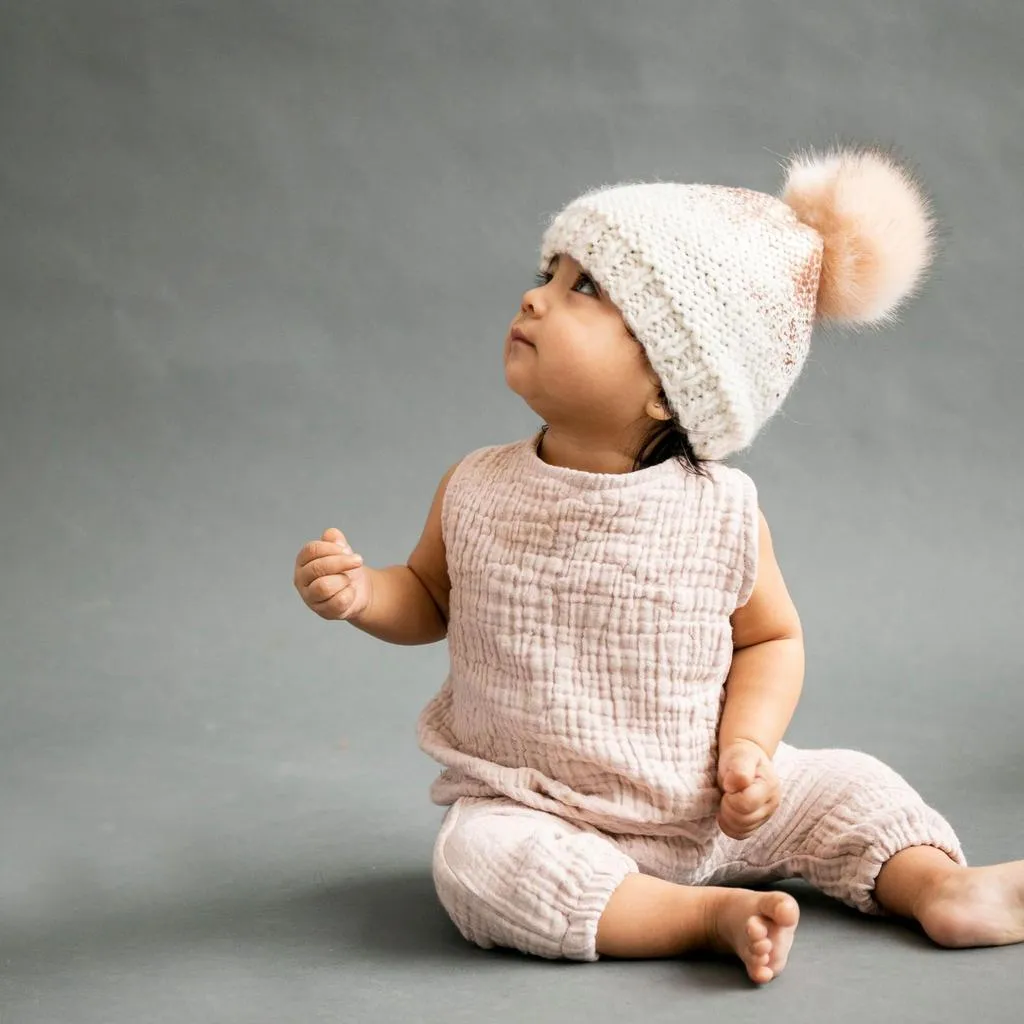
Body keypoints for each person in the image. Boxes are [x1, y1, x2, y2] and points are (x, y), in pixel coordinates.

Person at [293, 146, 1024, 984]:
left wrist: (749, 749)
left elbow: (771, 640)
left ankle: (940, 886)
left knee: (847, 786)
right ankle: (697, 917)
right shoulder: (477, 487)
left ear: (670, 386)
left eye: (585, 289)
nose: (534, 295)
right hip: (543, 810)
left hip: (715, 804)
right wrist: (364, 594)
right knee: (478, 864)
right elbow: (426, 596)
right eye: (549, 272)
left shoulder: (722, 513)